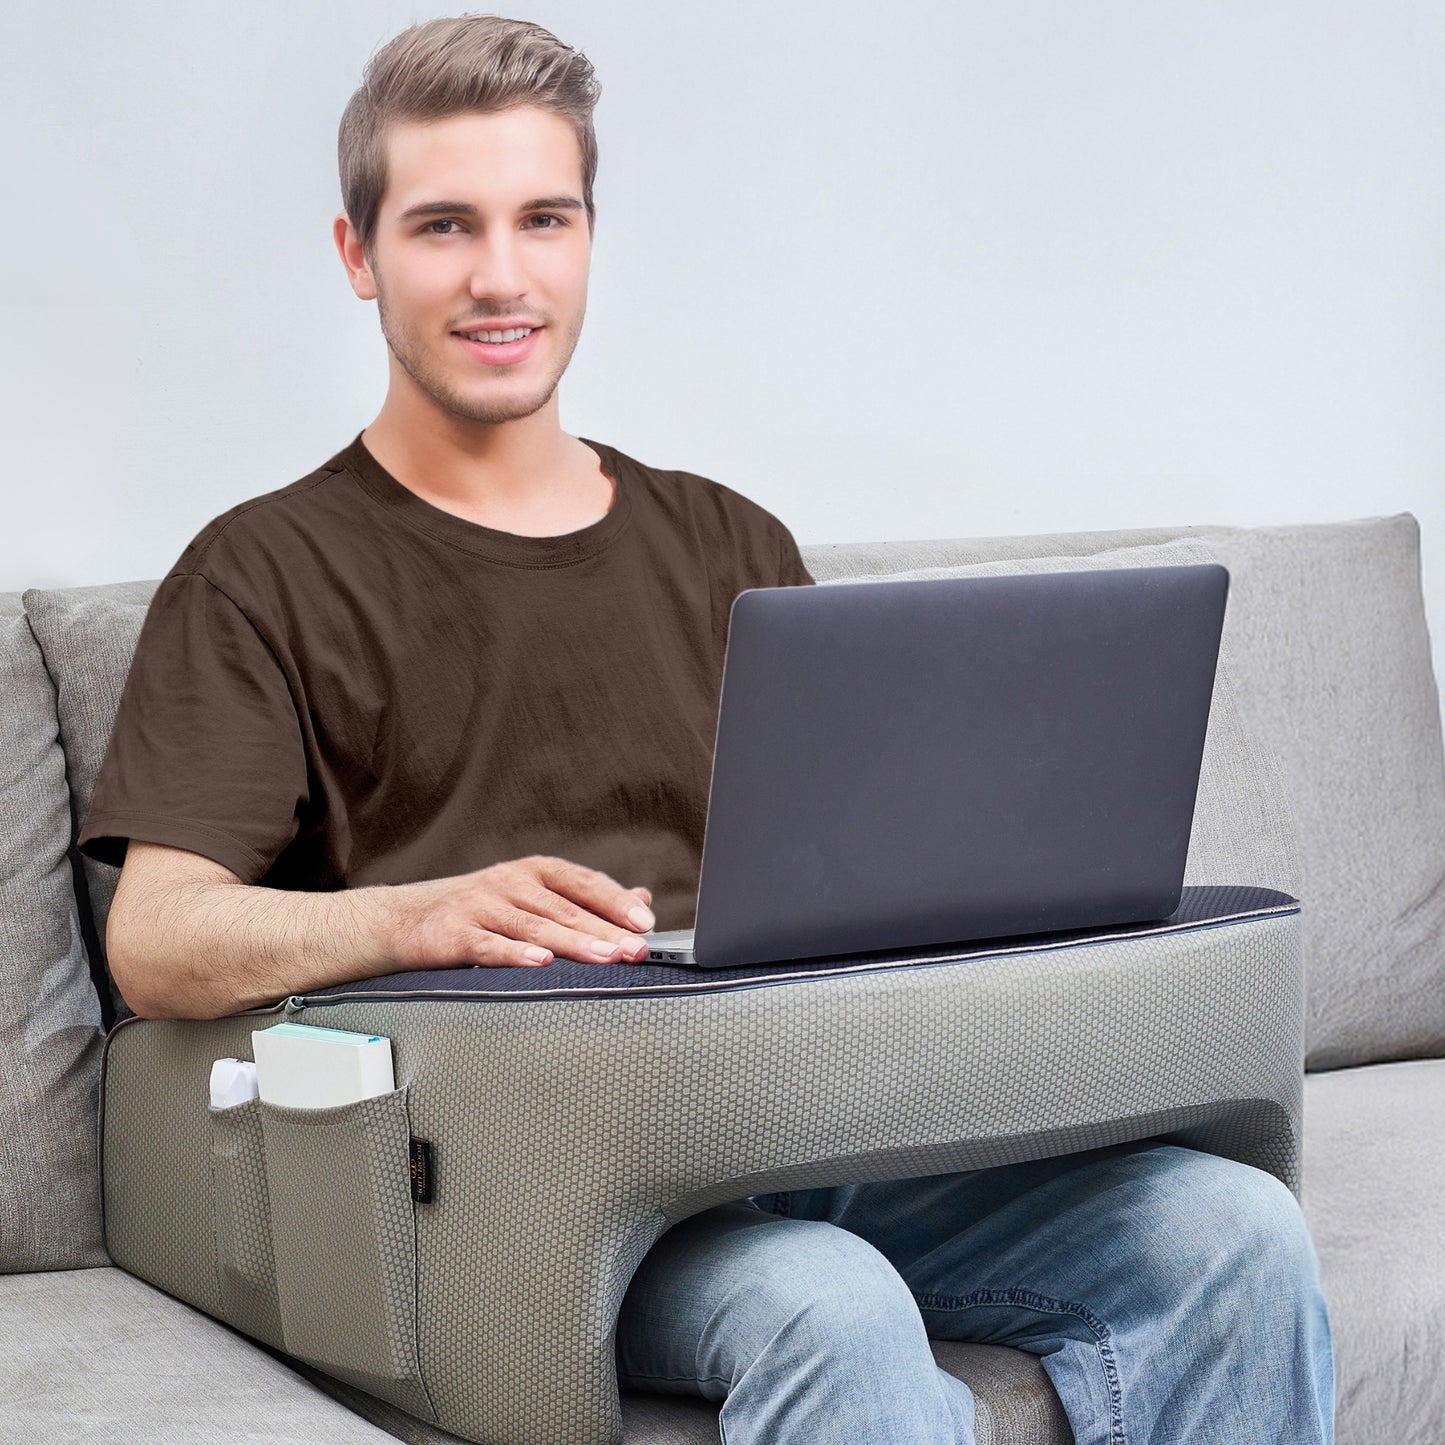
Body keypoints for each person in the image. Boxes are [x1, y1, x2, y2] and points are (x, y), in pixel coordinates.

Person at [77, 15, 1334, 1443]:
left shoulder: (729, 541)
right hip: (530, 1183)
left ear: (588, 238)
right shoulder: (262, 570)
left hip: (812, 1119)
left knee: (1229, 1228)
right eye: (443, 226)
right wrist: (414, 916)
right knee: (829, 1302)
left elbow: (868, 881)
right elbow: (158, 939)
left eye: (541, 218)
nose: (501, 276)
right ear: (358, 255)